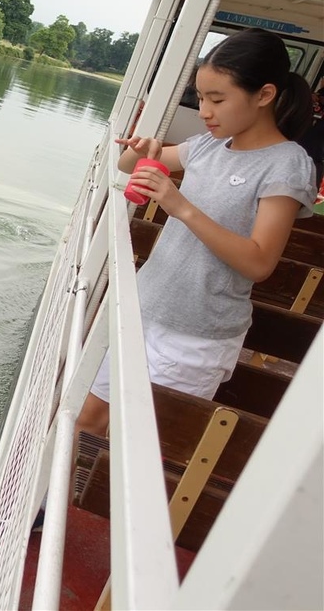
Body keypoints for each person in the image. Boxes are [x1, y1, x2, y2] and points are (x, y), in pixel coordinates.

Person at [76, 28, 317, 437]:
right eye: (202, 98)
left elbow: (259, 262)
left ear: (264, 95)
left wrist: (181, 207)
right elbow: (127, 165)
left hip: (195, 338)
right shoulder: (207, 146)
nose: (205, 110)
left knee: (132, 443)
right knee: (86, 421)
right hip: (143, 310)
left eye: (217, 99)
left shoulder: (287, 164)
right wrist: (142, 147)